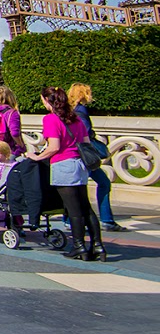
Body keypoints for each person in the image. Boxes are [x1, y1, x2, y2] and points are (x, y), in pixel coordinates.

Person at [28, 85, 103, 261]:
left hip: (64, 164)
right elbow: (86, 142)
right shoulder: (75, 118)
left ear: (48, 101)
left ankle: (79, 247)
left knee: (73, 210)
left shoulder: (51, 119)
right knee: (86, 208)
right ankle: (98, 245)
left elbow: (54, 147)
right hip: (80, 165)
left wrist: (37, 157)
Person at [68, 83, 124, 233]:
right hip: (85, 154)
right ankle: (106, 219)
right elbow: (84, 133)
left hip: (75, 154)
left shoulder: (70, 110)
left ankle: (69, 219)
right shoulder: (81, 110)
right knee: (103, 183)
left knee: (75, 187)